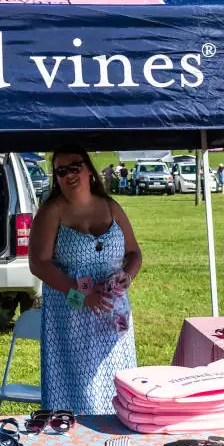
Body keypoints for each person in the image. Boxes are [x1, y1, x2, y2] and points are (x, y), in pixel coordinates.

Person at [29, 144, 141, 414]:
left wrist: (128, 275)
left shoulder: (112, 207)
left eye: (74, 167)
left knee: (118, 385)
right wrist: (82, 296)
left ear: (89, 169)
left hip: (113, 316)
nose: (68, 175)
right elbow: (38, 264)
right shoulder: (51, 211)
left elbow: (134, 252)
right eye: (61, 171)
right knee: (81, 392)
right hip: (71, 316)